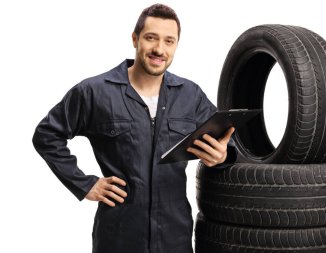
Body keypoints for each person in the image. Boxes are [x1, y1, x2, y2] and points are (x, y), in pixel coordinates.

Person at [32, 4, 236, 253]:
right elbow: (46, 134)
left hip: (175, 238)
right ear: (135, 38)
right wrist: (85, 184)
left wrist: (223, 155)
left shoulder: (190, 95)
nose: (159, 49)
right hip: (118, 238)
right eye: (151, 38)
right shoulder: (95, 92)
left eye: (169, 41)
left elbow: (228, 140)